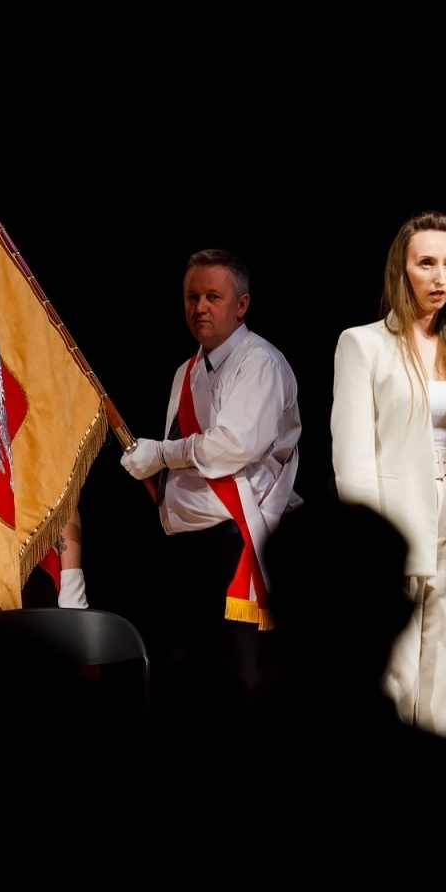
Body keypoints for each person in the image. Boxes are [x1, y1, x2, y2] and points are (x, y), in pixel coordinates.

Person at [332, 211, 446, 737]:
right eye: (427, 263)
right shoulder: (363, 344)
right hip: (396, 523)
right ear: (402, 270)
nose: (440, 277)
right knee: (395, 672)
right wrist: (366, 547)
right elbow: (353, 457)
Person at [120, 248, 301, 728]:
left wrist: (162, 453)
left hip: (237, 540)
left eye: (213, 297)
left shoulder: (259, 361)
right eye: (191, 297)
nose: (199, 307)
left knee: (240, 679)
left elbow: (232, 447)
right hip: (188, 547)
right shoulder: (186, 371)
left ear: (241, 304)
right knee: (191, 679)